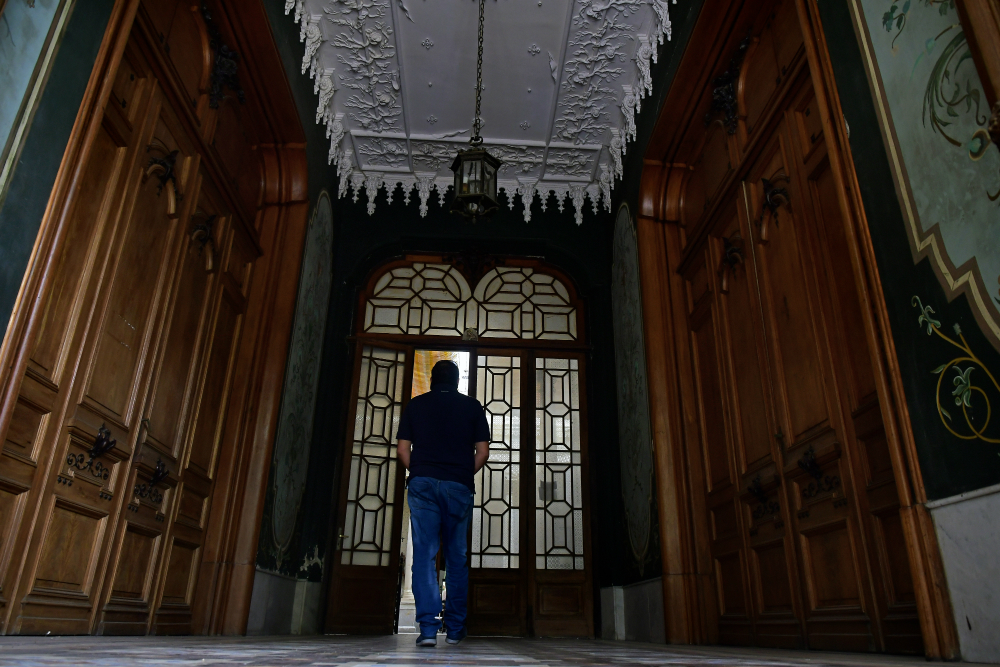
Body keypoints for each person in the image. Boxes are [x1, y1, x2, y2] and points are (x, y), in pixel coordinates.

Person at [396, 360, 490, 647]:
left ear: (432, 381)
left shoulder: (415, 405)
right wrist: (460, 474)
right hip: (458, 486)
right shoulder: (473, 407)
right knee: (457, 557)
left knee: (423, 555)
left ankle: (426, 629)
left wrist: (421, 472)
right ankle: (455, 629)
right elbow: (483, 452)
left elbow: (402, 449)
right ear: (457, 381)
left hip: (423, 482)